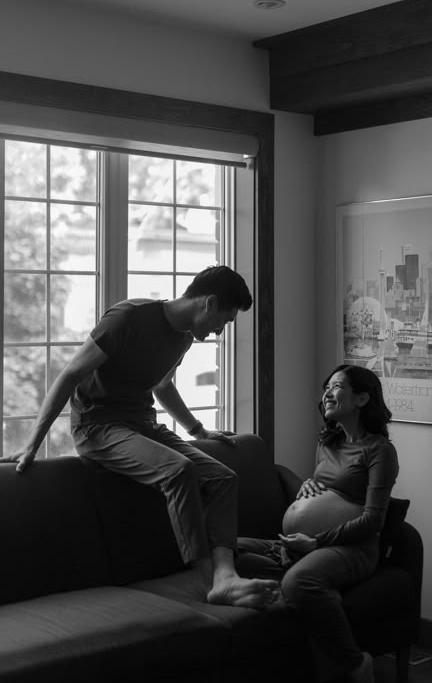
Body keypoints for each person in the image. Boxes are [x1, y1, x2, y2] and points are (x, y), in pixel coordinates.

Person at [2, 265, 278, 610]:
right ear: (208, 302)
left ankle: (226, 577)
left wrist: (197, 431)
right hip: (97, 427)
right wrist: (33, 443)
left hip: (141, 424)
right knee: (178, 471)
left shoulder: (183, 337)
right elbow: (71, 374)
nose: (220, 330)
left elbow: (162, 386)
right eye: (224, 320)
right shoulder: (128, 319)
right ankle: (207, 579)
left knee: (223, 478)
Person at [237, 364, 399, 683]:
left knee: (298, 583)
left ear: (363, 398)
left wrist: (315, 543)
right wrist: (306, 486)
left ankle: (354, 663)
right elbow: (323, 487)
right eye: (326, 387)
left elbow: (372, 520)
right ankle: (318, 592)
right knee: (227, 550)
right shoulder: (327, 442)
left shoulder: (380, 451)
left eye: (336, 386)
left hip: (352, 548)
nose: (327, 393)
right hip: (302, 544)